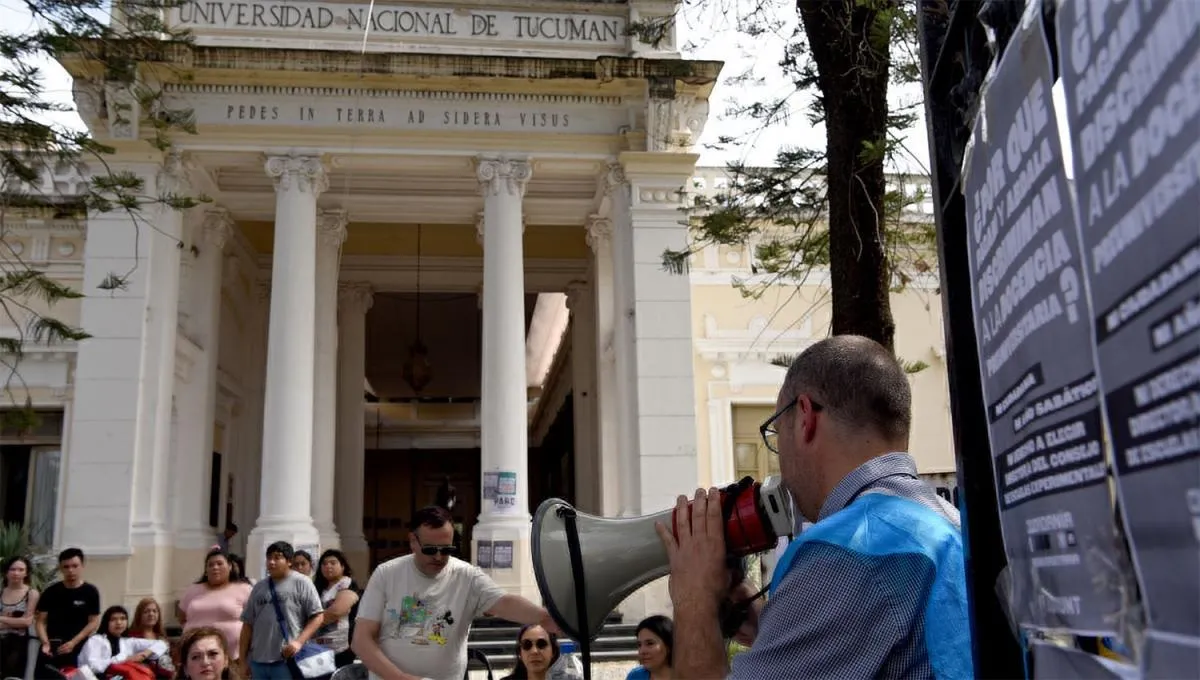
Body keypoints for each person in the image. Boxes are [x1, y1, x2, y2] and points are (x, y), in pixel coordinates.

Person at [657, 335, 972, 679]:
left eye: (777, 434)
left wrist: (694, 598)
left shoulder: (846, 551)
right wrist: (773, 625)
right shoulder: (953, 524)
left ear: (805, 417)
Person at [353, 505, 560, 680]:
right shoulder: (386, 574)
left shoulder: (467, 576)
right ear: (412, 541)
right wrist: (401, 679)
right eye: (430, 549)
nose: (438, 557)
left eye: (446, 549)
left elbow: (504, 602)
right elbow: (361, 640)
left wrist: (544, 617)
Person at [237, 541, 324, 680]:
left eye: (277, 558)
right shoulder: (259, 587)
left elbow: (318, 617)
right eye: (269, 558)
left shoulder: (302, 582)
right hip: (258, 661)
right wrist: (242, 661)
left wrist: (298, 642)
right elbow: (247, 625)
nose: (271, 562)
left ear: (289, 561)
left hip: (287, 661)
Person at [35, 547, 101, 671]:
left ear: (82, 565)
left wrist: (74, 642)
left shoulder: (90, 592)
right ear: (61, 568)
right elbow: (40, 621)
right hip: (52, 647)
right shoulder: (51, 591)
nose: (71, 570)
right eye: (66, 567)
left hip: (79, 647)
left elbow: (94, 621)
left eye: (75, 566)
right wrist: (45, 642)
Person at [180, 548, 254, 659]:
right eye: (210, 565)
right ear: (206, 570)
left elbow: (254, 620)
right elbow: (182, 617)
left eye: (220, 564)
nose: (215, 567)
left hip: (234, 657)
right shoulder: (193, 590)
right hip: (195, 655)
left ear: (230, 566)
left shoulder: (244, 589)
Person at [76, 605, 170, 677]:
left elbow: (161, 644)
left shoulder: (127, 642)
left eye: (123, 618)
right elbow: (94, 667)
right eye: (114, 619)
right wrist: (125, 659)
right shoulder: (95, 640)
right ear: (106, 622)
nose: (119, 622)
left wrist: (144, 654)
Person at [312, 549, 360, 667]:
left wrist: (308, 627)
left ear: (342, 566)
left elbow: (336, 612)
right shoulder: (319, 588)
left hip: (341, 649)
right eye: (324, 564)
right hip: (317, 649)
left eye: (333, 563)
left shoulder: (348, 584)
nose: (328, 566)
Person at [0, 556, 39, 679]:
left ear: (26, 573)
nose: (16, 573)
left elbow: (27, 621)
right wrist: (16, 621)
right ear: (7, 572)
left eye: (21, 570)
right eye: (13, 569)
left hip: (20, 644)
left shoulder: (31, 593)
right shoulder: (1, 592)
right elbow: (21, 621)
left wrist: (1, 618)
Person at [627, 615, 673, 680]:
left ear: (668, 645)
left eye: (650, 643)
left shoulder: (686, 675)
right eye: (639, 645)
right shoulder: (635, 676)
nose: (642, 651)